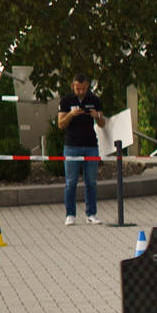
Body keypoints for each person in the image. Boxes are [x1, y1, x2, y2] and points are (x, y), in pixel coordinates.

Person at [58, 75, 106, 226]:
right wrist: (71, 114)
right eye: (78, 88)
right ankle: (70, 214)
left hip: (91, 145)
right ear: (72, 86)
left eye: (84, 88)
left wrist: (96, 116)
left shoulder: (94, 100)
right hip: (72, 145)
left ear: (88, 86)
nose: (81, 91)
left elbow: (102, 123)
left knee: (91, 181)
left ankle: (91, 213)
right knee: (71, 182)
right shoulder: (66, 100)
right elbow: (60, 124)